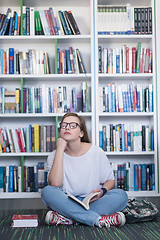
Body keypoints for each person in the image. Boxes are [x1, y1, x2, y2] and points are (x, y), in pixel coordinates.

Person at [41, 113, 128, 227]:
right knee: (47, 192)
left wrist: (103, 191)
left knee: (121, 195)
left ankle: (70, 219)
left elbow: (110, 180)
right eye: (64, 125)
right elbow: (55, 184)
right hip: (67, 201)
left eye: (73, 125)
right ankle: (97, 220)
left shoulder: (96, 152)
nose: (67, 127)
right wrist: (60, 149)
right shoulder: (54, 155)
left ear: (81, 133)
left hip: (92, 202)